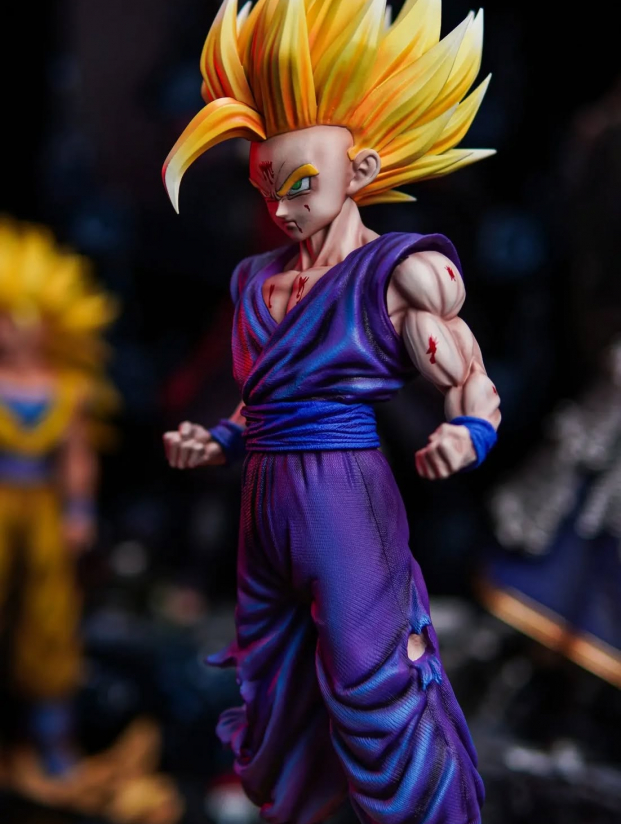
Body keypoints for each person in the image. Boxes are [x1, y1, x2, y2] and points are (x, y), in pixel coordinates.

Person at [163, 2, 500, 822]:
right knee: (276, 691)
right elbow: (262, 394)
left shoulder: (399, 273)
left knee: (377, 683)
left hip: (344, 498)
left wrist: (468, 433)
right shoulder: (255, 280)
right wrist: (219, 440)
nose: (281, 205)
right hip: (264, 506)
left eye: (300, 182)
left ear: (362, 166)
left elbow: (470, 377)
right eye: (265, 183)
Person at [0, 219, 116, 777]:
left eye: (20, 319)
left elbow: (77, 458)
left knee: (49, 617)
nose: (11, 332)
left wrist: (78, 511)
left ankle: (51, 739)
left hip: (42, 510)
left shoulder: (67, 391)